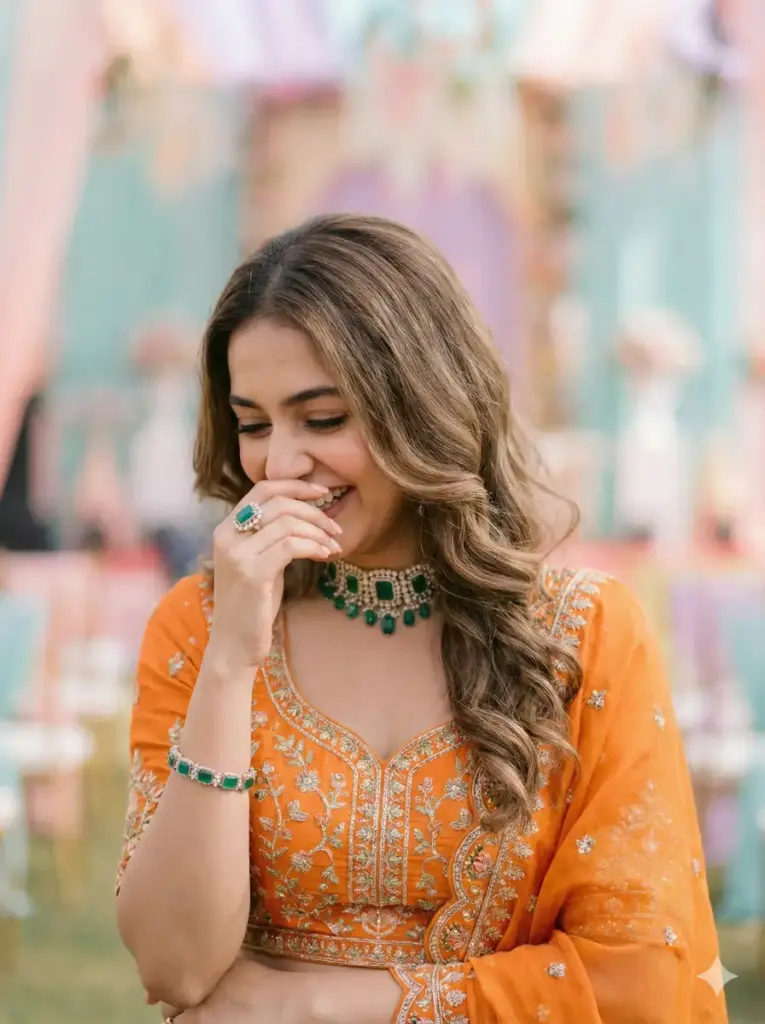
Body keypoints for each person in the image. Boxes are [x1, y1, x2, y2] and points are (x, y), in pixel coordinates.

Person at [116, 214, 727, 1024]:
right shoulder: (199, 628)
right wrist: (232, 657)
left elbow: (642, 976)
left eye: (323, 418)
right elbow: (175, 969)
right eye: (255, 424)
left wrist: (317, 1004)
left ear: (421, 403)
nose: (281, 465)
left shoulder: (581, 633)